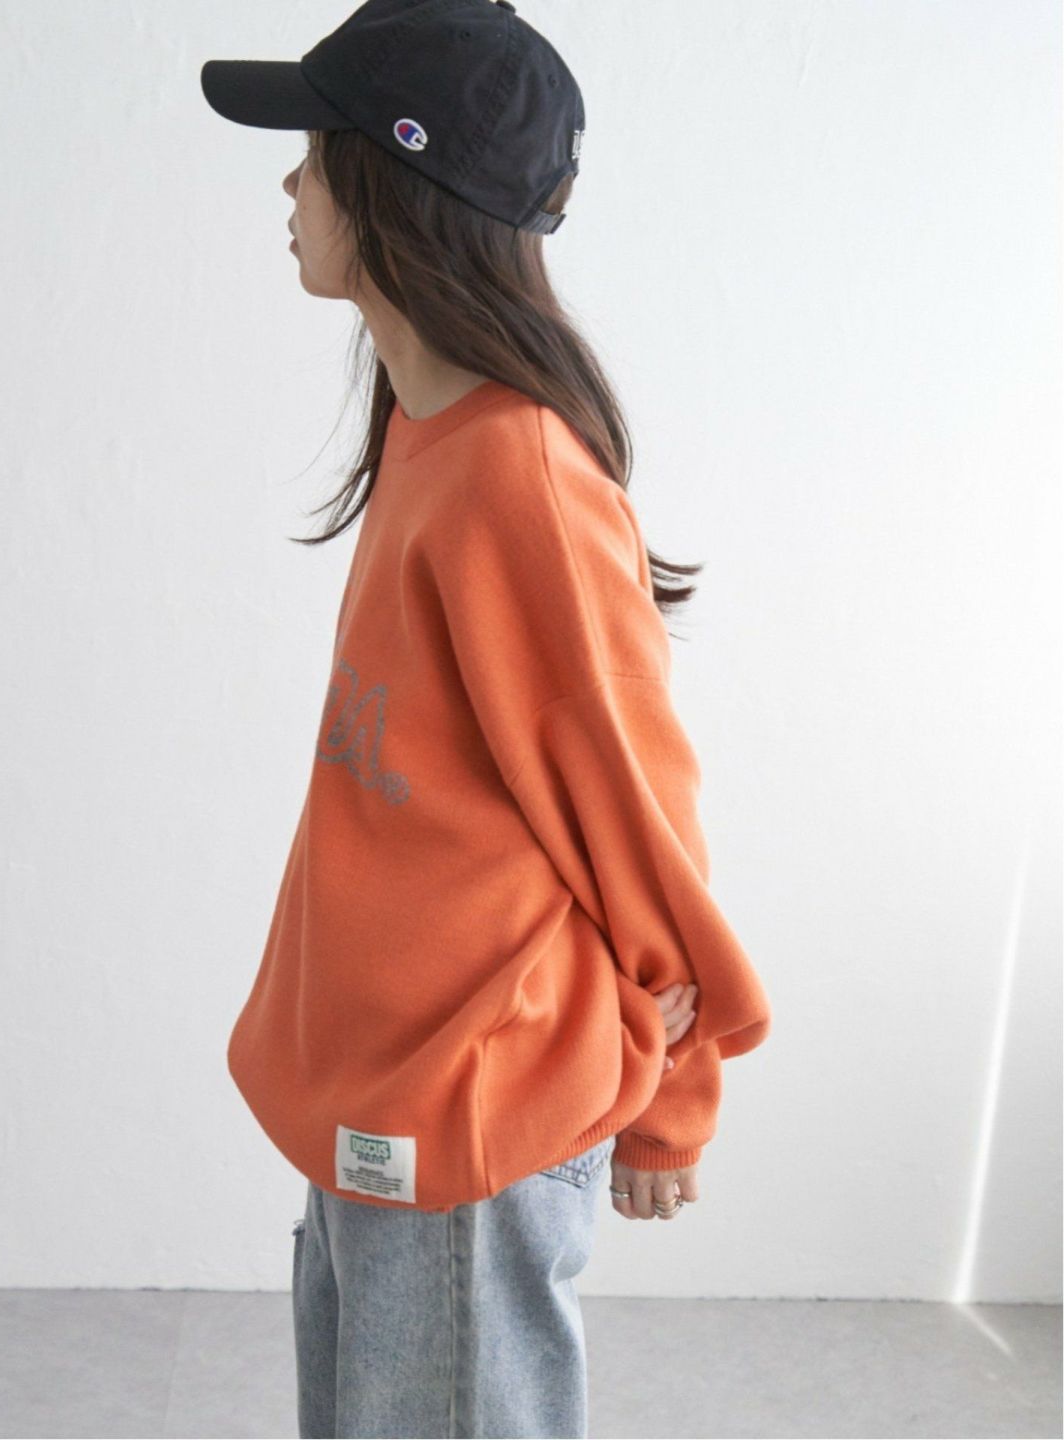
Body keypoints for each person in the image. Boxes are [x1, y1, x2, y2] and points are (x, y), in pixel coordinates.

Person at [201, 3, 772, 1435]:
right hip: (386, 1080)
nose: (290, 183)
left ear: (395, 180)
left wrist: (677, 1088)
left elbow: (634, 800)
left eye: (315, 151)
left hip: (472, 1091)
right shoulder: (427, 431)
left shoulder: (520, 475)